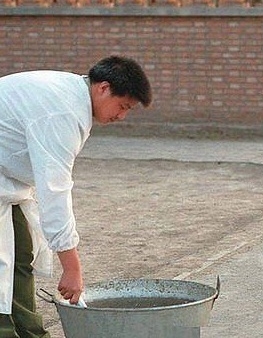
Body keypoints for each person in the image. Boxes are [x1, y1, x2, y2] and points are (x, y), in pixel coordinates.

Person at [0, 55, 152, 337]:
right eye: (122, 106)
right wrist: (72, 269)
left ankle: (31, 332)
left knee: (20, 254)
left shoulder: (71, 96)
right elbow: (54, 193)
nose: (122, 116)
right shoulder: (62, 113)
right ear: (103, 88)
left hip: (6, 180)